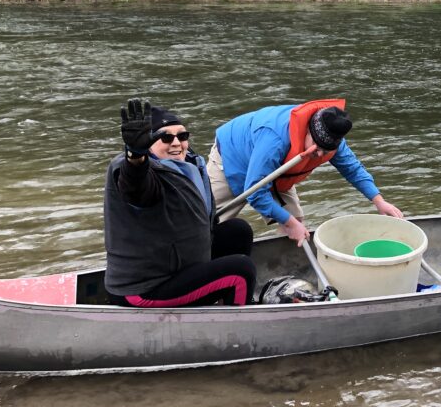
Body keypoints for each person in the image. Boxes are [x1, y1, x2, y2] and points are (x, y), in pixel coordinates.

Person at [103, 99, 257, 307]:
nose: (176, 143)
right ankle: (235, 332)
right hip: (146, 287)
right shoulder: (131, 169)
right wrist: (135, 157)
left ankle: (224, 302)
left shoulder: (191, 166)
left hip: (181, 267)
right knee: (241, 271)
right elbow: (136, 189)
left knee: (238, 230)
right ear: (147, 143)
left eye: (182, 136)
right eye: (165, 137)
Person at [207, 98, 403, 246]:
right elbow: (255, 192)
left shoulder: (332, 138)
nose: (319, 155)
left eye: (326, 152)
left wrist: (378, 201)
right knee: (206, 223)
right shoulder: (274, 139)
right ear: (307, 132)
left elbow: (352, 169)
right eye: (316, 149)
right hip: (232, 159)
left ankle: (284, 271)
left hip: (279, 171)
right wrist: (288, 221)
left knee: (298, 226)